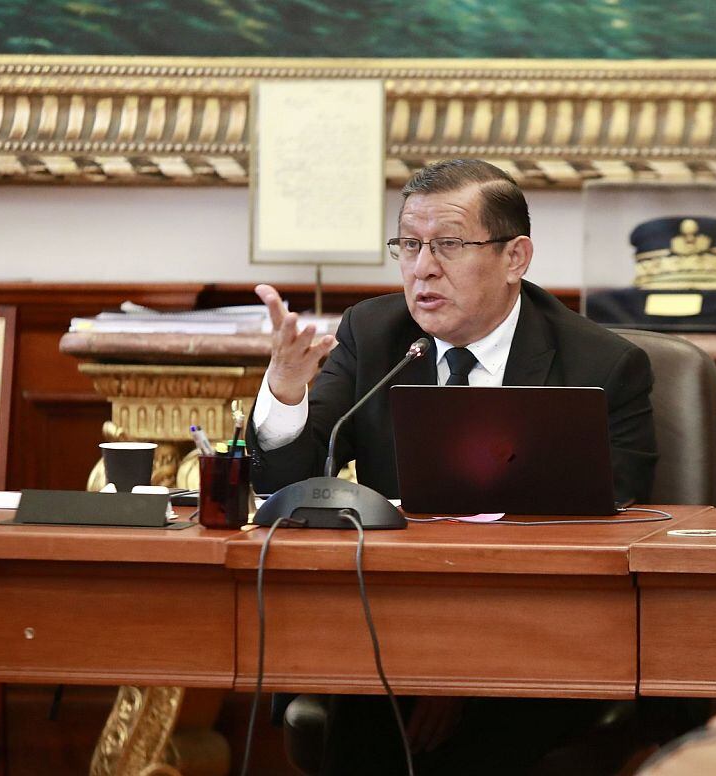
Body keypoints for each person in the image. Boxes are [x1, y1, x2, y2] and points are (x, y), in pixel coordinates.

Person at [247, 158, 659, 775]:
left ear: (515, 258)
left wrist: (463, 660)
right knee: (373, 710)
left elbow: (607, 526)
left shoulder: (602, 366)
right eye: (409, 246)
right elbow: (285, 481)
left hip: (540, 638)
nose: (422, 269)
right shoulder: (375, 334)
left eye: (447, 245)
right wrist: (284, 392)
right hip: (390, 627)